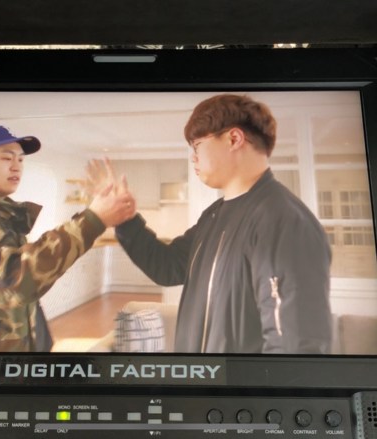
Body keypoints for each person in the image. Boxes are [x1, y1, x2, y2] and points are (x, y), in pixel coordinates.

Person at [99, 94, 333, 354]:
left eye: (197, 145)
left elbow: (294, 348)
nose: (193, 157)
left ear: (234, 139)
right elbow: (167, 266)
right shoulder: (214, 215)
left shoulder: (283, 221)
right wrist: (126, 221)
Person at [0, 125, 135, 352]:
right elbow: (14, 282)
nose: (16, 166)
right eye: (6, 158)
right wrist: (93, 220)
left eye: (21, 160)